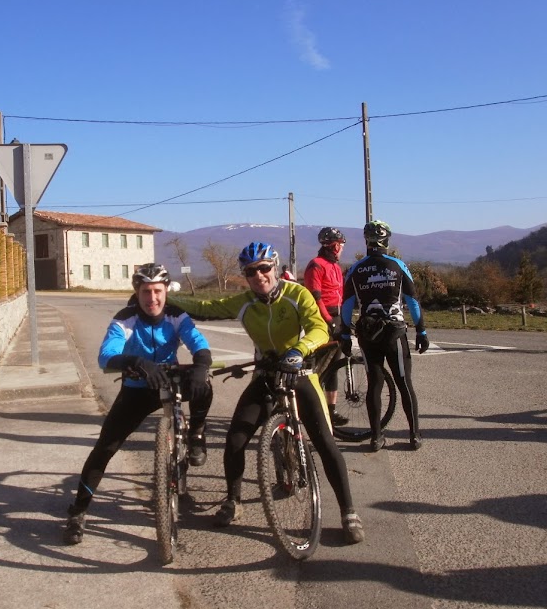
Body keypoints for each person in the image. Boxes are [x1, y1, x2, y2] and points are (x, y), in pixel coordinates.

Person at [169, 241, 364, 544]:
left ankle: (348, 512)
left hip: (300, 374)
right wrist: (162, 297)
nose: (259, 275)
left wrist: (299, 350)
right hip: (265, 375)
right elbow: (206, 308)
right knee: (235, 438)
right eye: (251, 271)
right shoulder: (245, 301)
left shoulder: (297, 293)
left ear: (275, 267)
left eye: (264, 268)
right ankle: (232, 502)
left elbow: (318, 329)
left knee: (326, 442)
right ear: (245, 275)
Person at [63, 263, 214, 545]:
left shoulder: (176, 316)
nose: (152, 298)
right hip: (137, 388)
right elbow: (106, 356)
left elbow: (197, 341)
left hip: (170, 380)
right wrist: (135, 361)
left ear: (166, 291)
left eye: (158, 291)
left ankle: (196, 433)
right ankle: (78, 511)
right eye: (146, 291)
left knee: (204, 384)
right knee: (105, 447)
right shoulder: (126, 319)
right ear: (137, 291)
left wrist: (200, 365)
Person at [341, 220, 428, 452]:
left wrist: (344, 334)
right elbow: (413, 302)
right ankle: (414, 435)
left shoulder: (356, 269)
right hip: (394, 332)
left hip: (368, 334)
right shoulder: (397, 265)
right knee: (404, 383)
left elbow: (347, 305)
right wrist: (422, 330)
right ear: (387, 240)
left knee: (375, 386)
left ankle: (376, 437)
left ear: (366, 241)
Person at [304, 226, 349, 427]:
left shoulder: (336, 267)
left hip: (337, 316)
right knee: (319, 366)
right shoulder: (317, 265)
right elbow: (315, 298)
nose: (341, 249)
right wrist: (329, 321)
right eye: (340, 245)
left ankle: (331, 411)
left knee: (333, 366)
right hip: (324, 317)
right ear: (333, 245)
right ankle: (313, 408)